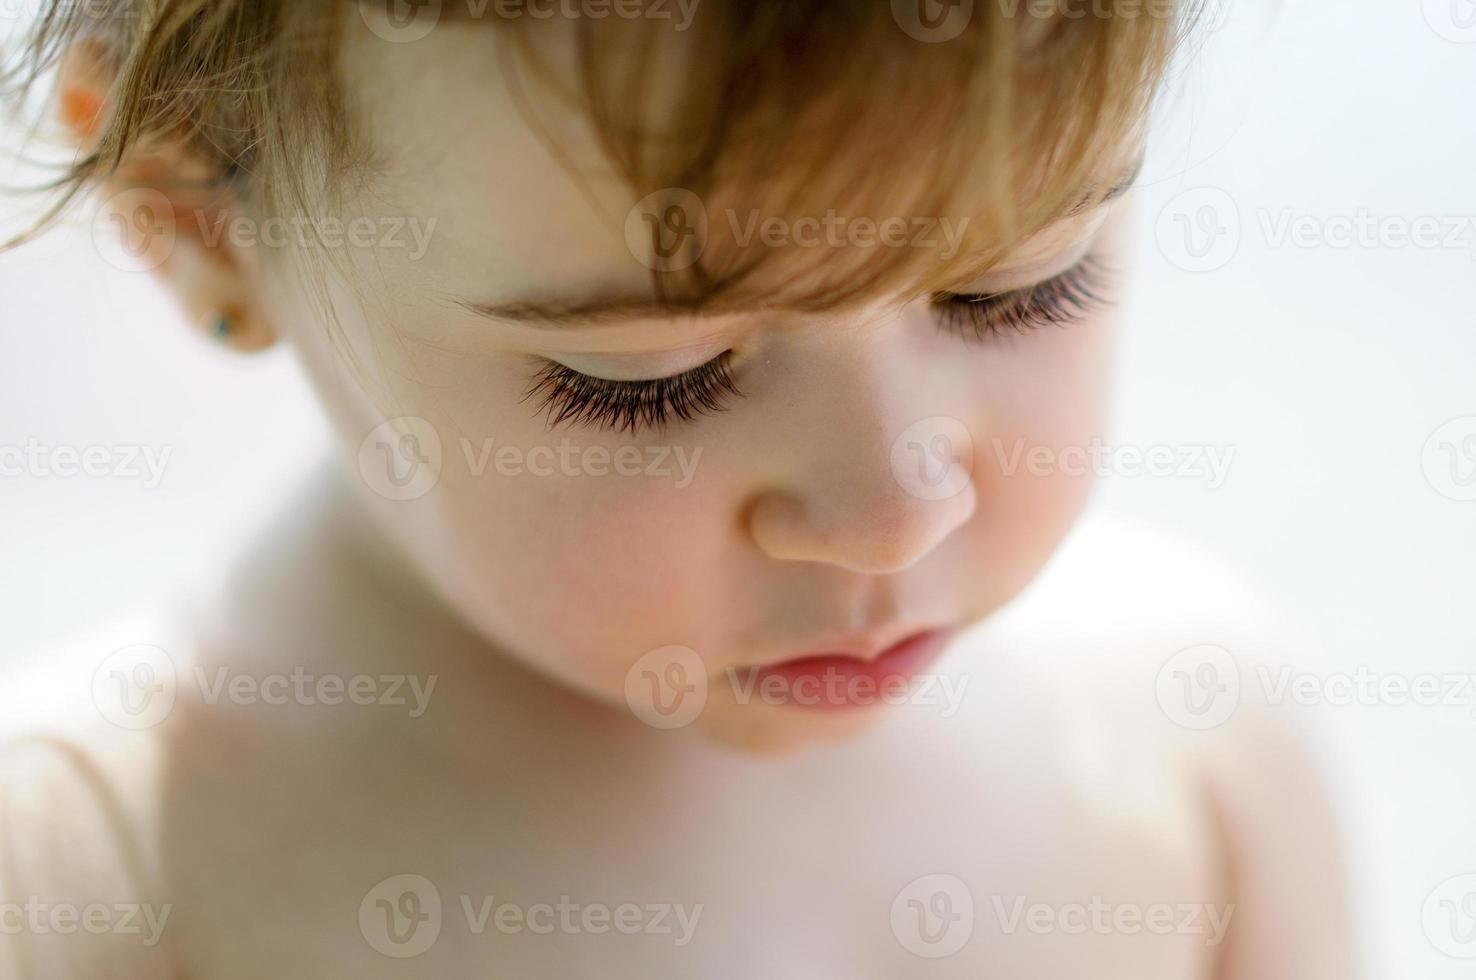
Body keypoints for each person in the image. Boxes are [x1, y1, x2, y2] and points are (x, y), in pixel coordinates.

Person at [0, 1, 1354, 975]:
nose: (894, 506)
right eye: (652, 378)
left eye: (1020, 290)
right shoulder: (85, 880)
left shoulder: (1196, 754)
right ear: (196, 217)